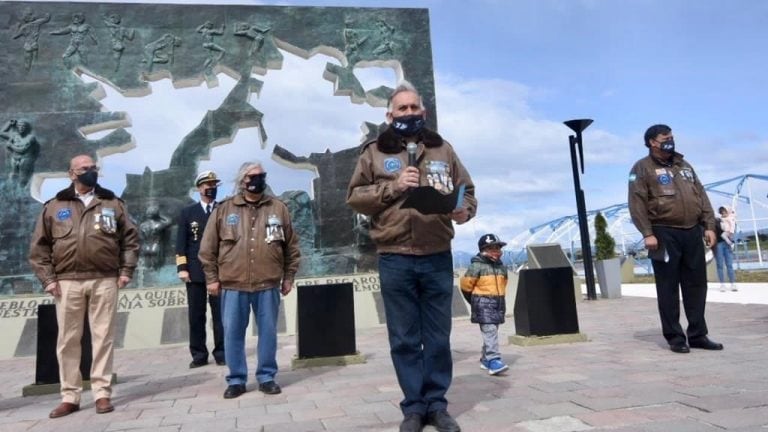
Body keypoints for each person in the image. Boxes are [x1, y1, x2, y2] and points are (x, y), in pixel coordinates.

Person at [347, 81, 476, 432]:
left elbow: (468, 191)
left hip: (437, 255)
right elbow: (356, 196)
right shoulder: (374, 152)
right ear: (389, 115)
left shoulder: (443, 149)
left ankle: (437, 405)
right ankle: (413, 408)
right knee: (404, 338)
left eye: (413, 107)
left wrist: (464, 211)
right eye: (400, 109)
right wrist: (394, 186)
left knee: (437, 336)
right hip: (395, 256)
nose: (407, 113)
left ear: (424, 111)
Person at [28, 154, 139, 418]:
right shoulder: (55, 206)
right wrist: (48, 279)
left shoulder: (112, 203)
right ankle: (70, 396)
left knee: (103, 338)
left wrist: (125, 271)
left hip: (104, 279)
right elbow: (39, 248)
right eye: (84, 169)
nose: (90, 172)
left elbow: (131, 240)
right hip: (67, 282)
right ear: (72, 174)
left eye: (93, 168)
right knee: (68, 340)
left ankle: (102, 393)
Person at [198, 162, 300, 399]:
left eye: (262, 175)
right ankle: (236, 379)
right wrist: (212, 279)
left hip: (268, 283)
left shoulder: (278, 208)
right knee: (232, 333)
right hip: (233, 284)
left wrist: (289, 277)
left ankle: (266, 377)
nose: (259, 179)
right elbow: (207, 249)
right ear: (243, 180)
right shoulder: (224, 210)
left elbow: (291, 247)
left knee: (268, 332)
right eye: (254, 176)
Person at [628, 124, 723, 354]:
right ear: (652, 141)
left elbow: (701, 195)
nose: (671, 141)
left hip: (692, 231)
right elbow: (637, 202)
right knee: (668, 287)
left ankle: (698, 335)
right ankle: (675, 337)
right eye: (665, 138)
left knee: (697, 285)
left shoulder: (684, 165)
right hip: (663, 232)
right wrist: (647, 233)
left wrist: (709, 226)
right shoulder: (642, 168)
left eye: (672, 137)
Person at [175, 170, 225, 368]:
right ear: (199, 188)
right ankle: (198, 354)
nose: (210, 188)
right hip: (195, 271)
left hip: (219, 270)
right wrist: (182, 268)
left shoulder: (222, 210)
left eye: (213, 184)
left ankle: (222, 352)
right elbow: (181, 243)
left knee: (220, 315)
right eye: (206, 185)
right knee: (196, 315)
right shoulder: (188, 212)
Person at [460, 234, 509, 376]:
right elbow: (465, 285)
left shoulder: (501, 267)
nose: (496, 251)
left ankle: (485, 359)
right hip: (483, 305)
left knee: (491, 333)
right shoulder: (476, 266)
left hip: (498, 304)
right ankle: (494, 360)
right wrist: (475, 301)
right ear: (483, 250)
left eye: (498, 248)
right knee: (490, 332)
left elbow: (503, 284)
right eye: (492, 248)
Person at [714, 206, 737, 292]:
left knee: (729, 265)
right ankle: (722, 284)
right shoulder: (717, 221)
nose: (723, 213)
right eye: (721, 211)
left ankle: (733, 284)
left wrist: (732, 241)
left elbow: (733, 231)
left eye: (724, 211)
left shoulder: (732, 220)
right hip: (719, 244)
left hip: (728, 244)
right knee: (720, 265)